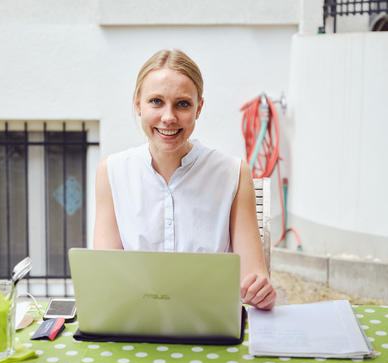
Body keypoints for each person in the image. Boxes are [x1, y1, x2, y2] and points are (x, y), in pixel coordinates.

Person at [93, 49, 276, 310]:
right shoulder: (111, 172)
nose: (168, 117)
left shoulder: (233, 173)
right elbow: (105, 278)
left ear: (199, 108)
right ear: (138, 105)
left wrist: (261, 292)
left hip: (211, 324)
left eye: (182, 104)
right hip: (134, 324)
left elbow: (253, 277)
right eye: (156, 101)